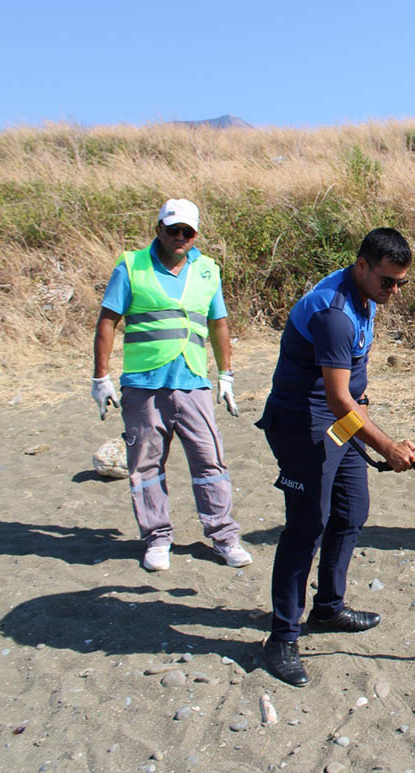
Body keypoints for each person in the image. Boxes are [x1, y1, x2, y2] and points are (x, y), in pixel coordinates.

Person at [257, 227, 415, 687]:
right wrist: (385, 445)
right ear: (362, 266)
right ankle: (282, 637)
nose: (393, 291)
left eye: (400, 283)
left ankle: (328, 607)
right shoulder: (335, 314)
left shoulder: (364, 295)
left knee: (351, 509)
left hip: (335, 420)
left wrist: (366, 425)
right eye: (388, 281)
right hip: (302, 422)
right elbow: (337, 399)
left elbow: (349, 390)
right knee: (307, 525)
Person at [92, 198, 250, 573]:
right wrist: (101, 377)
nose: (180, 237)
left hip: (192, 382)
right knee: (146, 466)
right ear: (158, 228)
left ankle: (223, 536)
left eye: (188, 232)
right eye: (173, 229)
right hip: (144, 385)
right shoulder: (131, 266)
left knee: (210, 460)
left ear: (196, 235)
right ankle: (157, 538)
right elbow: (107, 321)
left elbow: (219, 324)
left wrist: (225, 374)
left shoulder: (209, 270)